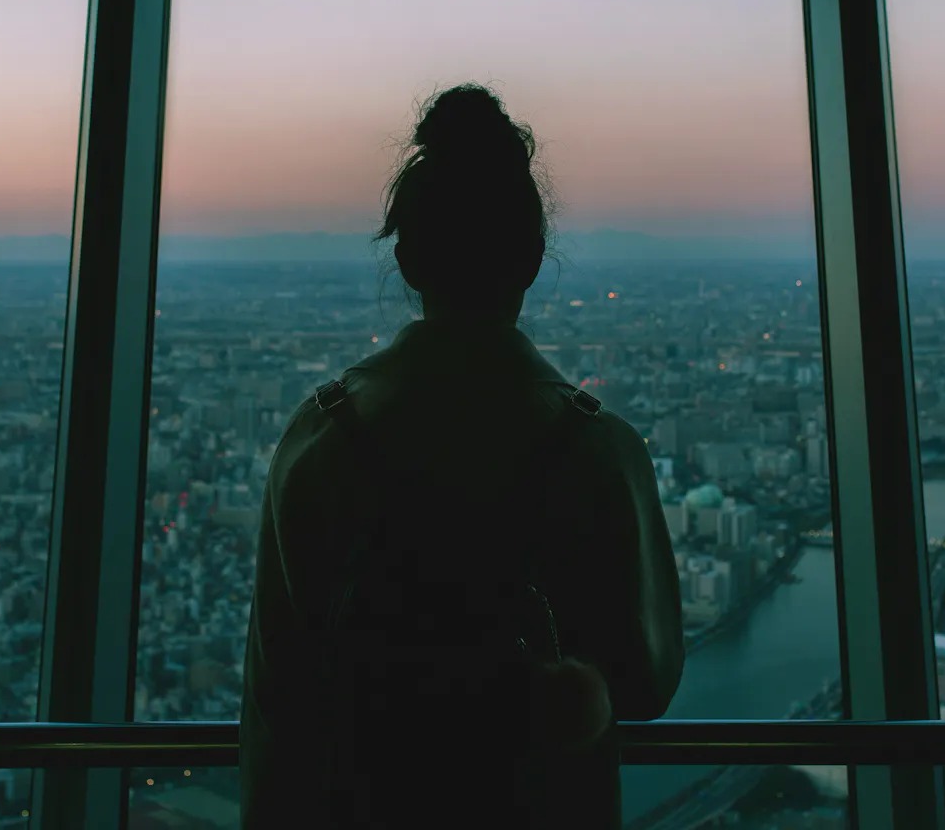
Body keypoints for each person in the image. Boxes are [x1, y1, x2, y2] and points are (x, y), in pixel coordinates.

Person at [240, 83, 684, 829]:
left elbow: (277, 696)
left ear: (409, 261)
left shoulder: (320, 439)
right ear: (534, 260)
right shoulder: (598, 451)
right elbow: (646, 684)